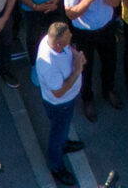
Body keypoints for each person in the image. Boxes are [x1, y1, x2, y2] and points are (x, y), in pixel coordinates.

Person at [31, 20, 87, 188]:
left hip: (66, 101)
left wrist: (75, 53)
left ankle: (64, 142)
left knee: (63, 128)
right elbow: (59, 92)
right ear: (57, 44)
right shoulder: (48, 64)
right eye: (67, 38)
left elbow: (68, 49)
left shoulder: (52, 41)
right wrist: (77, 69)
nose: (71, 38)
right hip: (60, 103)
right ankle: (56, 166)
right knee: (58, 132)